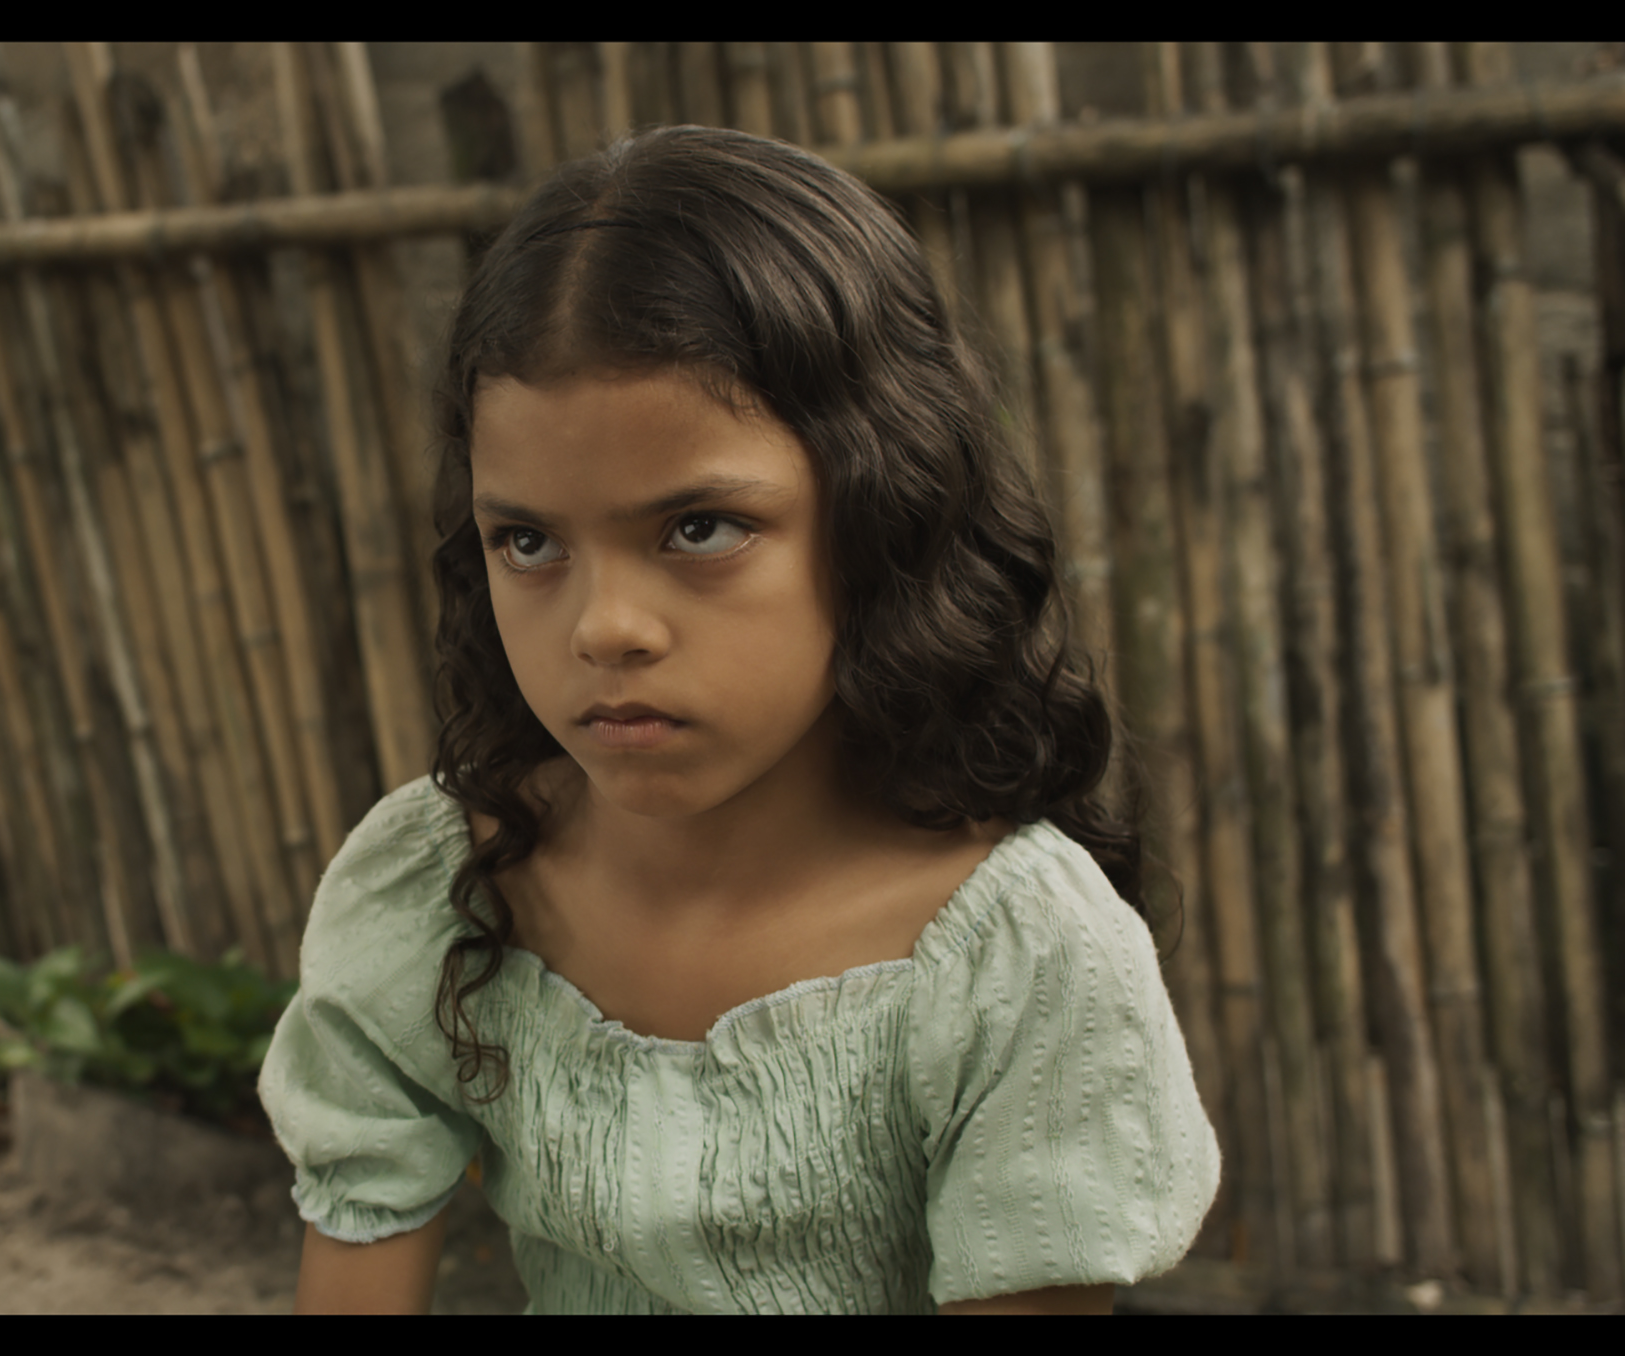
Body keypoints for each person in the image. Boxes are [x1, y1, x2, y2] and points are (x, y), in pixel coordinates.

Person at [256, 124, 1220, 1315]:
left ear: (884, 509)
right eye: (529, 541)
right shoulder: (443, 886)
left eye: (699, 528)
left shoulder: (1014, 963)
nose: (605, 627)